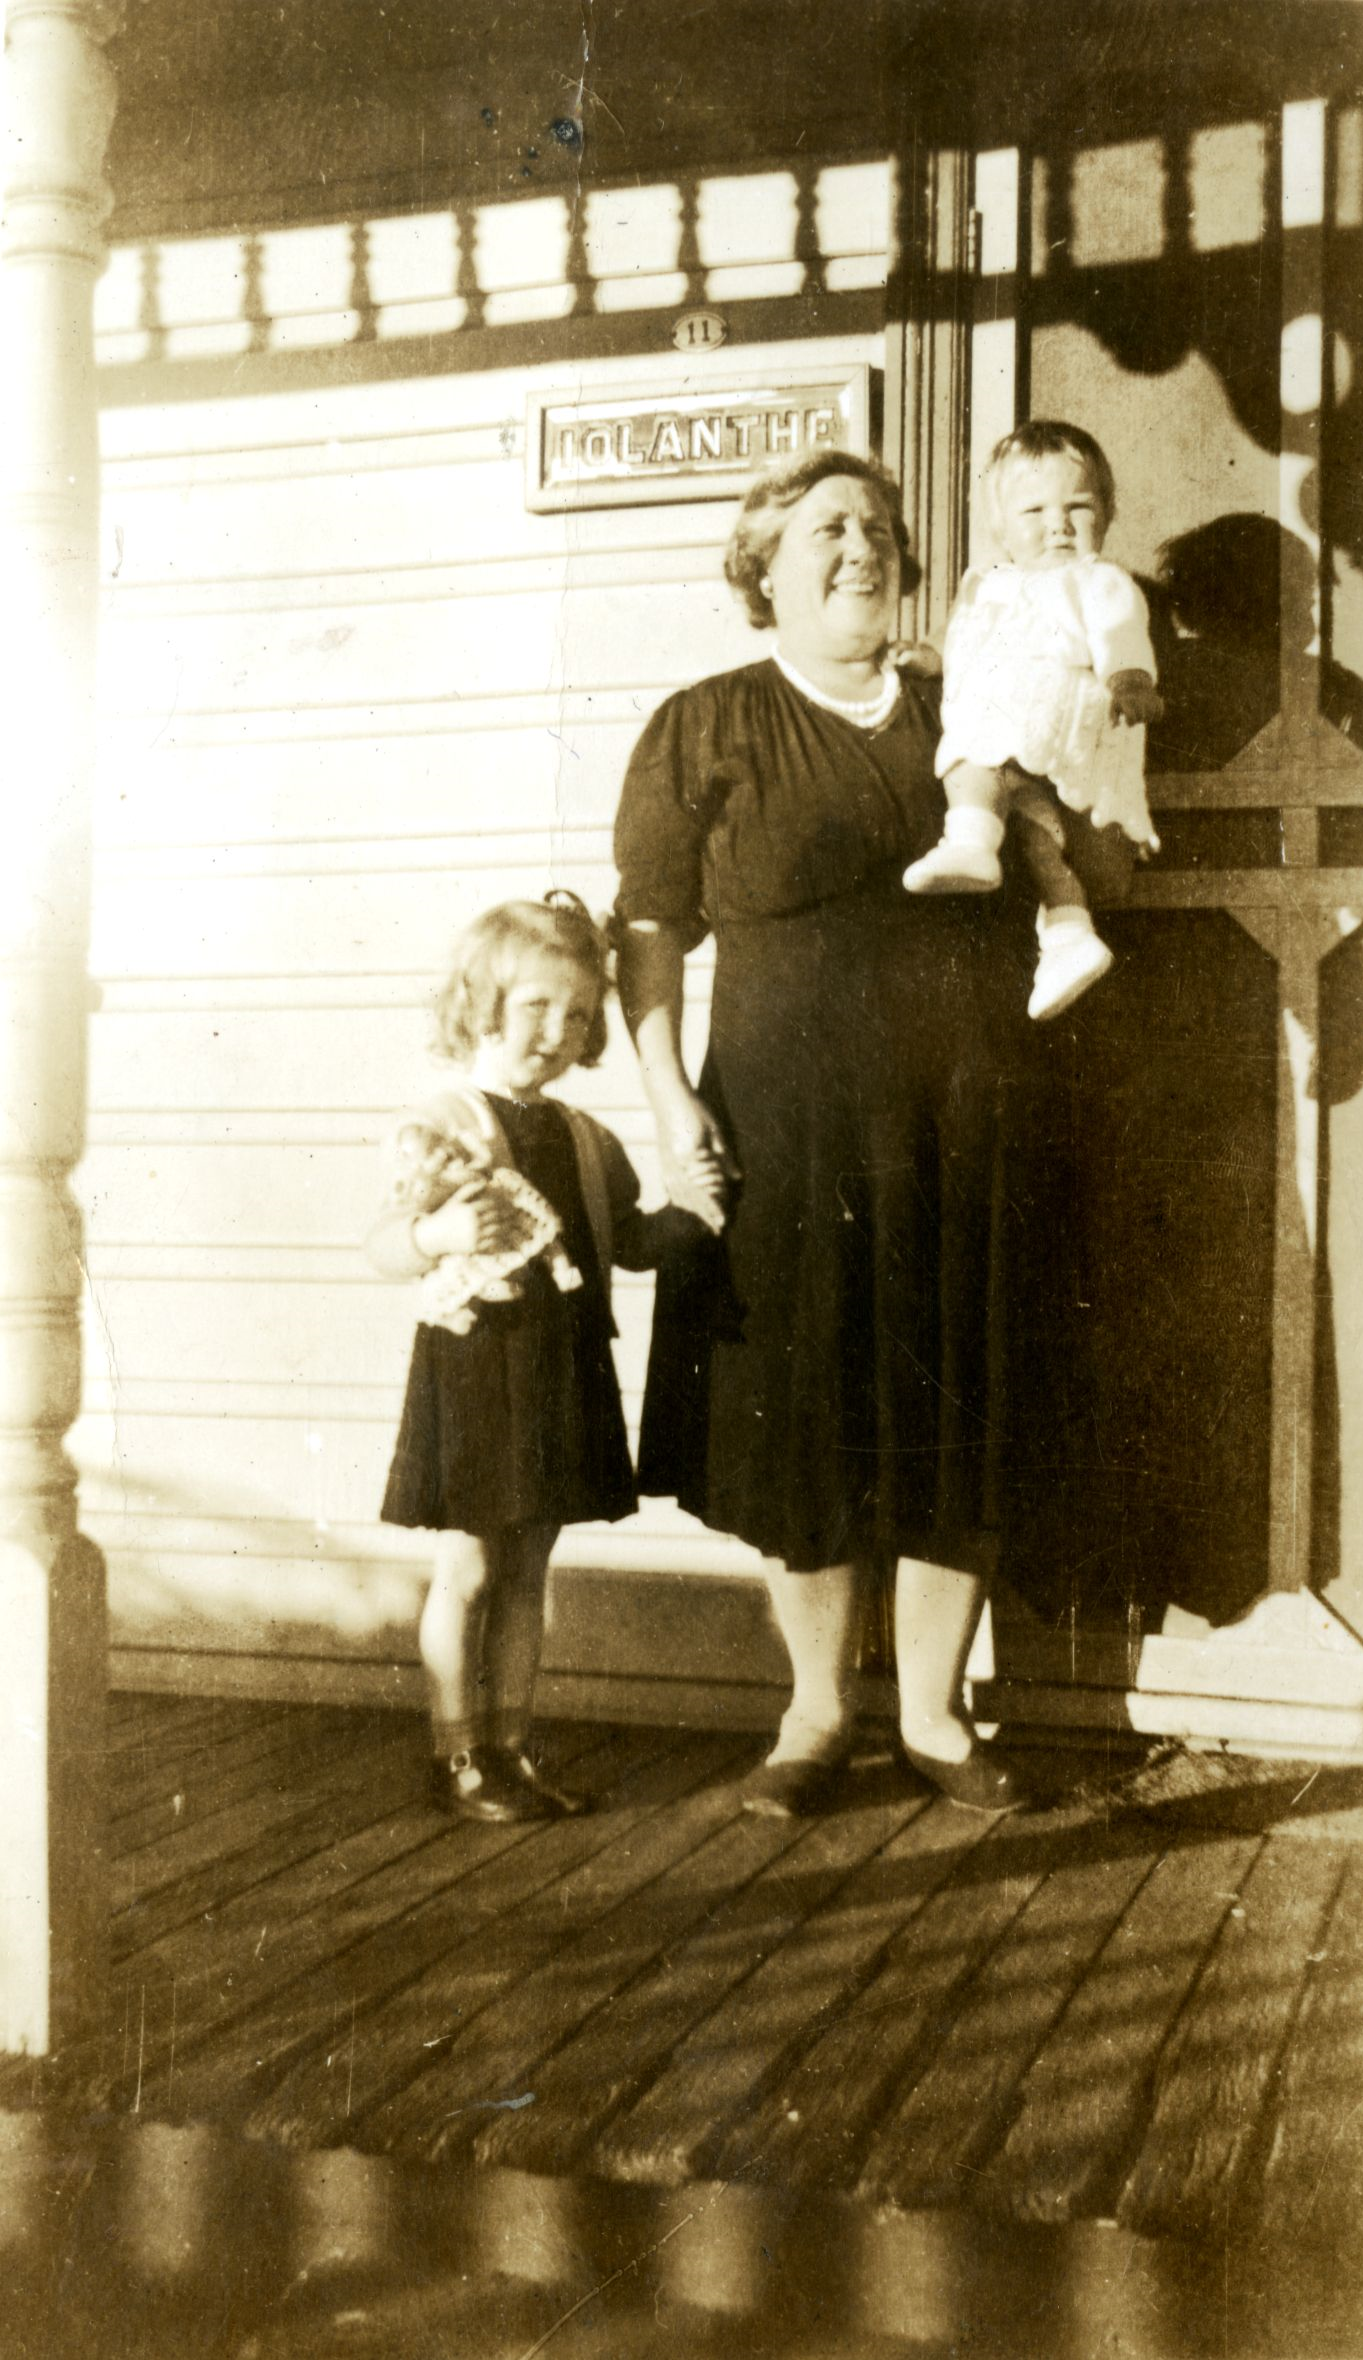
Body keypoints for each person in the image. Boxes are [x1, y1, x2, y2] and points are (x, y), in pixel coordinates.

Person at [614, 448, 1039, 1817]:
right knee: (801, 1410)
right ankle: (815, 1718)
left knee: (949, 1395)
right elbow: (652, 938)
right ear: (763, 570)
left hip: (959, 1108)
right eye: (824, 528)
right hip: (785, 1123)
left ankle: (932, 1718)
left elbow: (1063, 846)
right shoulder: (706, 723)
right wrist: (672, 1102)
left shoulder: (963, 708)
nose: (861, 543)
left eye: (879, 525)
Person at [367, 892, 688, 1824]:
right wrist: (437, 1230)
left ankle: (510, 1749)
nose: (557, 1030)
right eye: (537, 1005)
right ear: (482, 1003)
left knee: (530, 1569)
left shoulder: (587, 1138)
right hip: (477, 1369)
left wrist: (698, 1217)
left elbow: (626, 1238)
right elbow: (382, 1245)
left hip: (560, 1367)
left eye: (580, 1014)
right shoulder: (443, 1121)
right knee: (471, 1565)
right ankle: (457, 1754)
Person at [903, 420, 1163, 1020]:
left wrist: (1130, 681)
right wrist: (927, 656)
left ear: (1107, 513)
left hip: (1056, 730)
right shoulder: (986, 582)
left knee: (976, 761)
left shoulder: (1099, 581)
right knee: (1036, 843)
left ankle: (968, 841)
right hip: (1016, 743)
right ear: (1000, 527)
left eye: (1079, 506)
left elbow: (1121, 634)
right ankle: (1070, 937)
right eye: (1034, 510)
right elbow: (955, 638)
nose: (1058, 524)